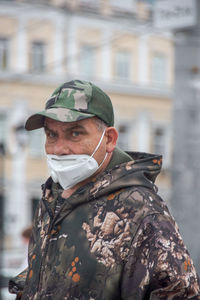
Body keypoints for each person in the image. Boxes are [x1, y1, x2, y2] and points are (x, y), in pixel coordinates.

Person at [9, 80, 200, 299]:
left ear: (109, 139)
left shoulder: (141, 211)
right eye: (51, 135)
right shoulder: (52, 201)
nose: (59, 149)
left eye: (75, 134)